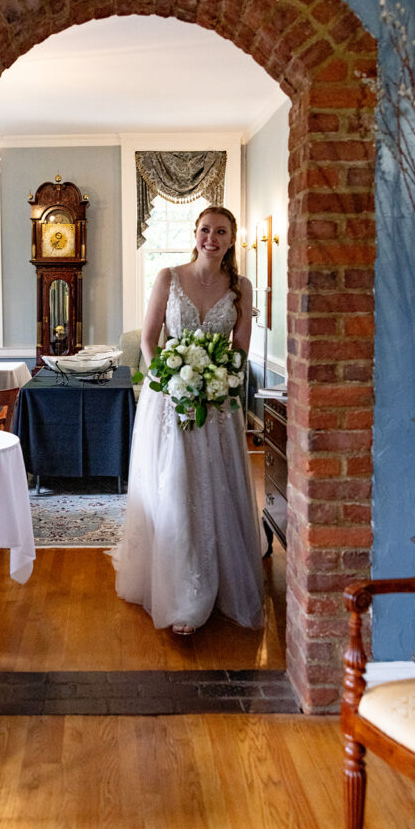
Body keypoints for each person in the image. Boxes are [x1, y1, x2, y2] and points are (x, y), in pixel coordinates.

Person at [114, 205, 265, 634]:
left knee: (215, 490)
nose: (211, 238)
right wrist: (170, 381)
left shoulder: (242, 288)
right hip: (170, 402)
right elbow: (148, 339)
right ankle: (182, 594)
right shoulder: (169, 278)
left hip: (217, 406)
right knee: (176, 488)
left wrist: (217, 380)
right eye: (205, 230)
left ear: (232, 239)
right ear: (194, 233)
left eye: (220, 231)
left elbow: (239, 350)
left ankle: (219, 584)